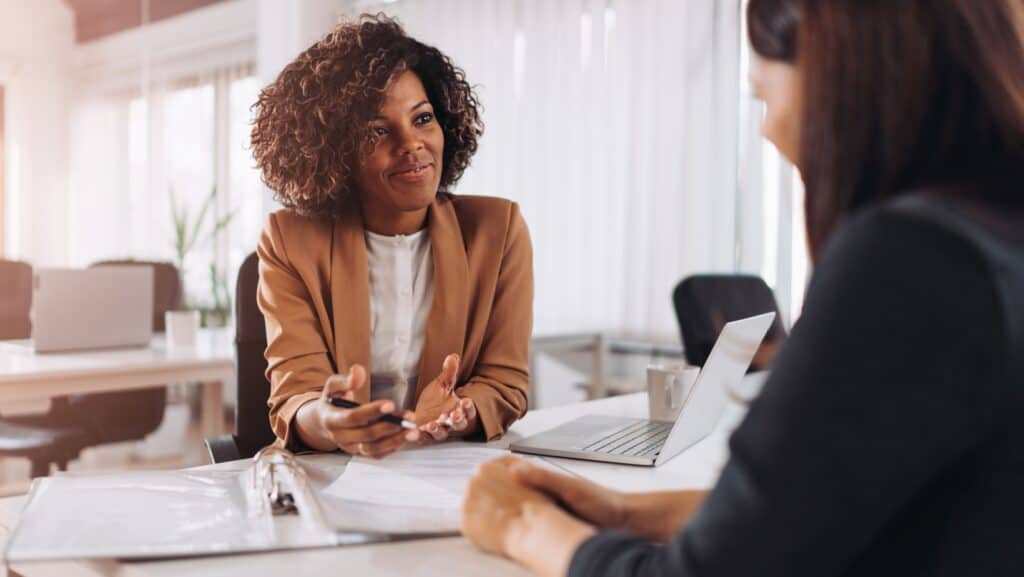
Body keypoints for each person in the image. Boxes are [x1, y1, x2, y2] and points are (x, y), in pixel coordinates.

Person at [461, 0, 1024, 575]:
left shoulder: (910, 258)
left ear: (844, 76)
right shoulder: (992, 237)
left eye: (762, 94)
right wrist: (625, 513)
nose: (769, 129)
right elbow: (840, 511)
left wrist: (522, 525)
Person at [251, 15, 532, 458]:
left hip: (449, 472)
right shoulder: (290, 240)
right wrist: (331, 422)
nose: (412, 144)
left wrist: (461, 413)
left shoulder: (497, 231)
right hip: (332, 476)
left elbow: (505, 382)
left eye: (422, 118)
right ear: (335, 151)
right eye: (379, 131)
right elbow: (296, 396)